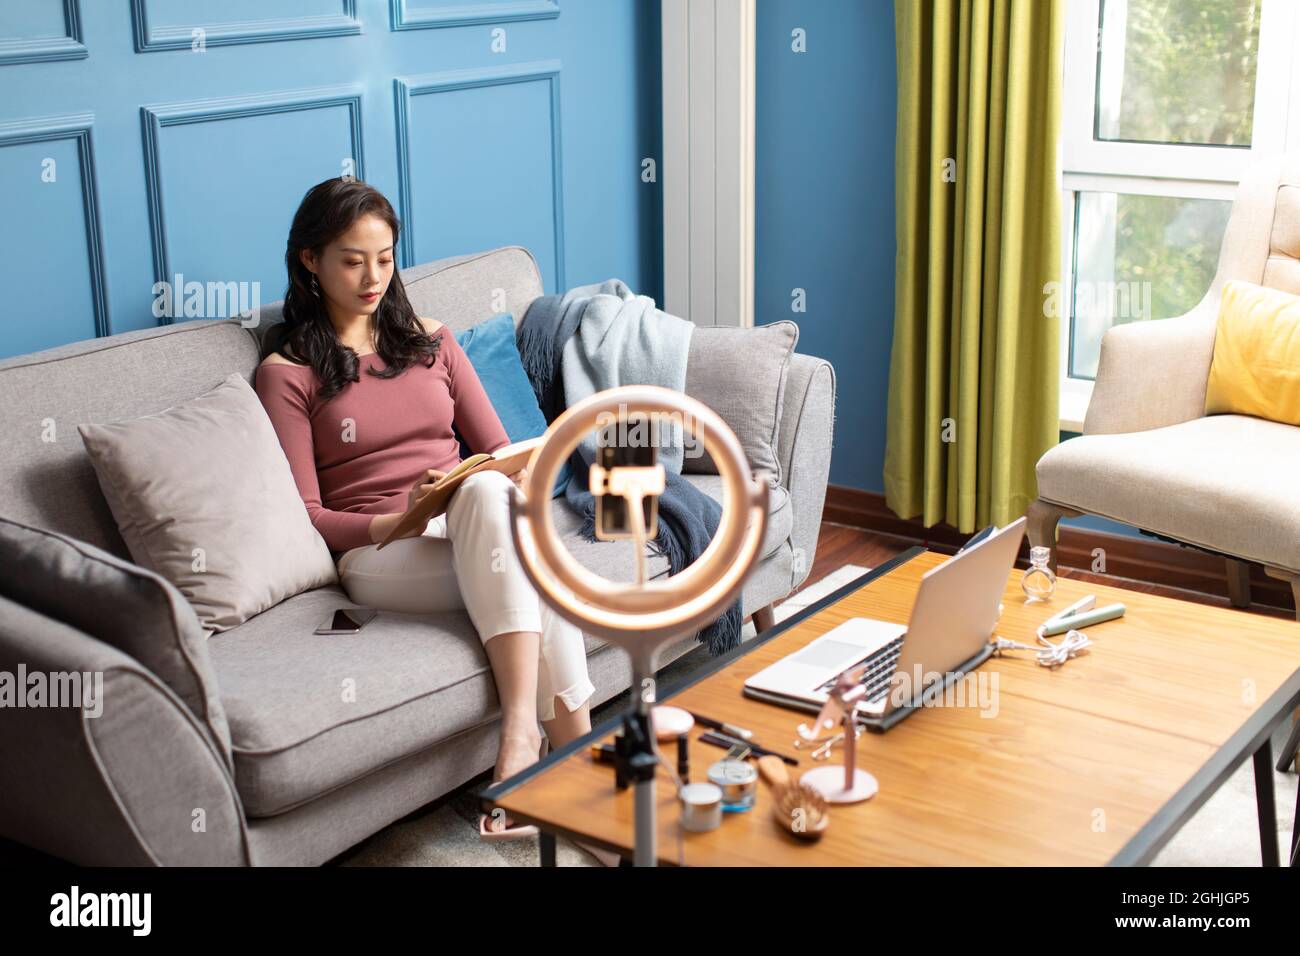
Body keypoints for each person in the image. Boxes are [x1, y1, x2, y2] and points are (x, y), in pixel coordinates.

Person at [255, 178, 612, 860]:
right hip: (380, 552)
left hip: (472, 525)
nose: (372, 277)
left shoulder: (433, 340)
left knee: (487, 498)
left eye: (385, 259)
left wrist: (483, 478)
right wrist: (396, 522)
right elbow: (308, 515)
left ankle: (542, 759)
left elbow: (501, 452)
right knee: (527, 549)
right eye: (353, 260)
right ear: (310, 260)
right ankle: (552, 747)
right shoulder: (288, 372)